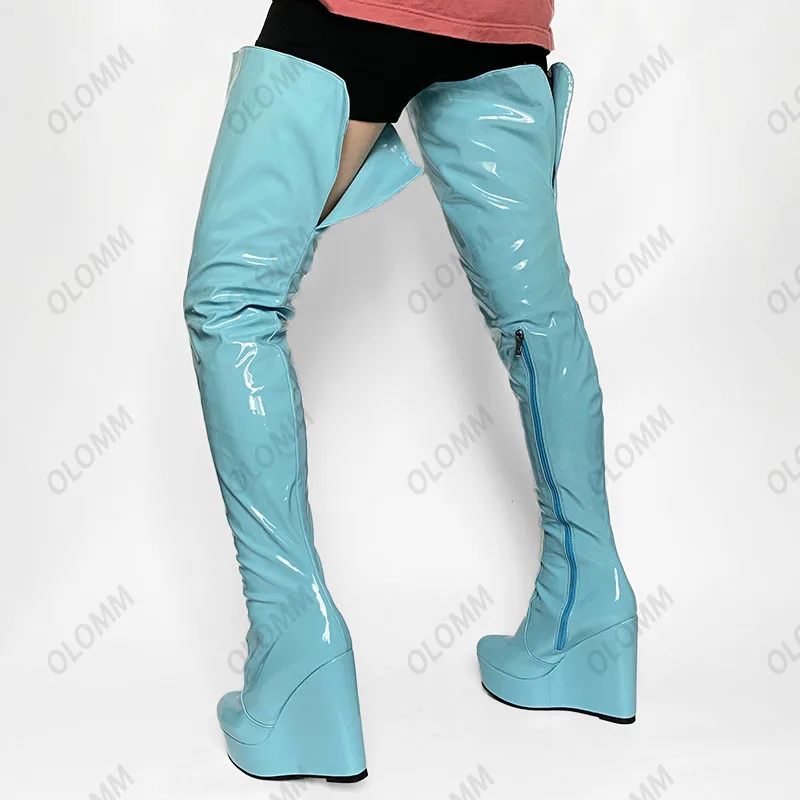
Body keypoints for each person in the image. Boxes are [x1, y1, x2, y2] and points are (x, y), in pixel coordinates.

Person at [183, 0, 638, 783]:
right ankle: (588, 612)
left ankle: (295, 653)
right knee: (537, 317)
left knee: (233, 302)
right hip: (503, 18)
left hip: (359, 11)